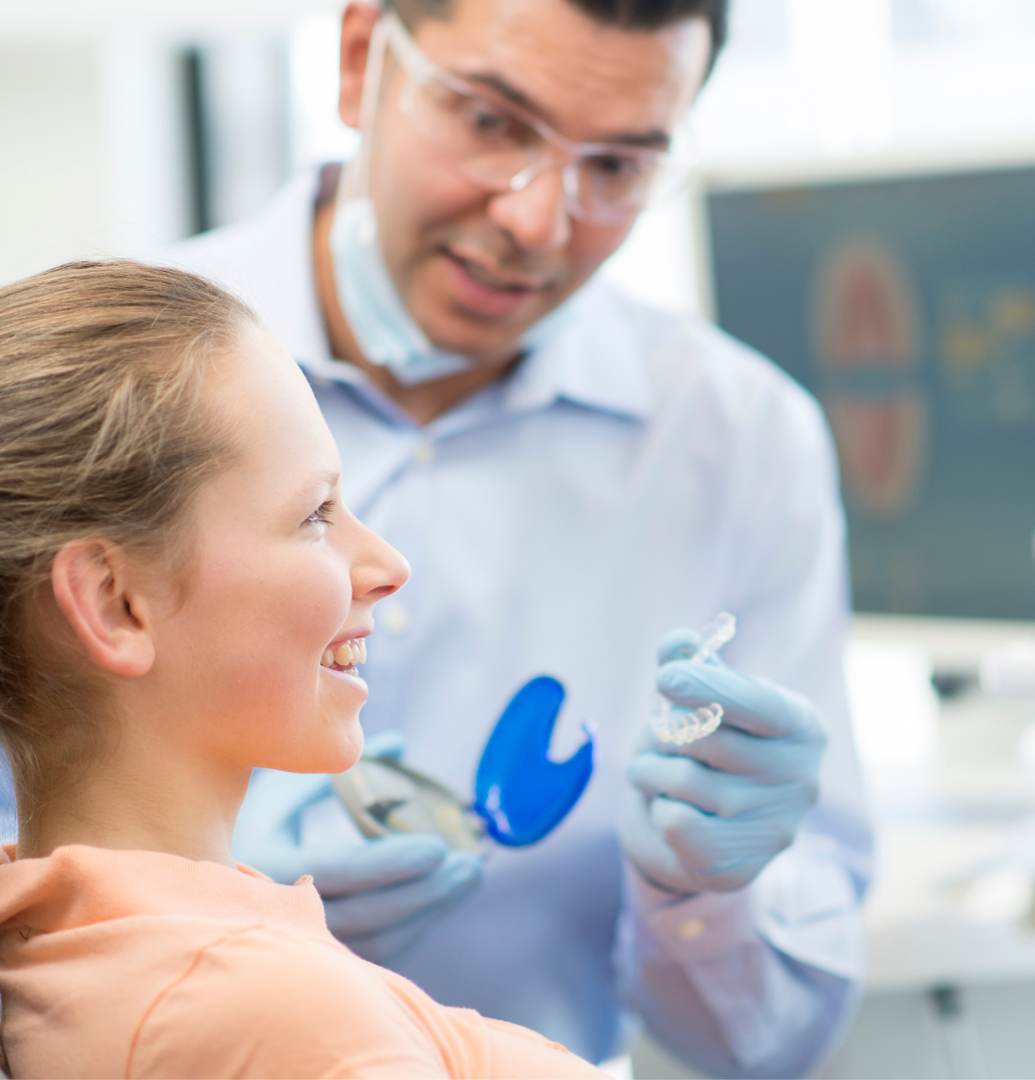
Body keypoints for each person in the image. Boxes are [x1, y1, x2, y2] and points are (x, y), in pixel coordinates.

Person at [170, 0, 871, 1074]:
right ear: (362, 59)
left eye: (618, 167)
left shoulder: (737, 445)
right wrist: (197, 918)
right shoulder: (104, 380)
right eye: (492, 123)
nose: (539, 221)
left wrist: (705, 896)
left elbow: (761, 1049)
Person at [0, 261, 605, 1078]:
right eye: (315, 514)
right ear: (114, 603)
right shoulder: (265, 1011)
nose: (384, 564)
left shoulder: (102, 947)